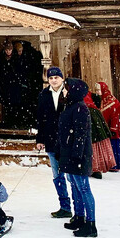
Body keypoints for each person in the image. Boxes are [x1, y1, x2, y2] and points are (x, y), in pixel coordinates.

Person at [58, 78, 97, 238]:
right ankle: (79, 217)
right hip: (69, 154)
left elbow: (81, 135)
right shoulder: (71, 105)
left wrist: (76, 155)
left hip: (78, 156)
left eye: (66, 88)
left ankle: (91, 224)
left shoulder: (81, 108)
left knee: (84, 188)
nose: (64, 91)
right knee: (74, 186)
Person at [35, 66, 71, 218]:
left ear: (62, 78)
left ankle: (79, 209)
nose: (54, 80)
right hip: (50, 139)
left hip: (67, 140)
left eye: (56, 77)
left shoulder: (69, 92)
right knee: (57, 175)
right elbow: (40, 118)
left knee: (71, 176)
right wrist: (40, 139)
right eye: (51, 78)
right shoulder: (44, 94)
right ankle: (65, 206)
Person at [84, 91, 116, 177]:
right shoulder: (87, 92)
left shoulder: (75, 93)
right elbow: (97, 98)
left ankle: (92, 168)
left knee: (90, 142)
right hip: (96, 115)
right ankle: (97, 168)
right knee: (97, 141)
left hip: (85, 114)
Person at [96, 82, 120, 172]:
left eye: (98, 90)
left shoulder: (112, 101)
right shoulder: (101, 100)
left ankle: (115, 165)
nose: (97, 92)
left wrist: (113, 128)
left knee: (114, 146)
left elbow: (115, 115)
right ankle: (110, 164)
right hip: (105, 128)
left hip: (112, 128)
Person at [0, 41, 23, 127]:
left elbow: (19, 71)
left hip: (15, 86)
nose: (8, 52)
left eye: (10, 50)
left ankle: (16, 122)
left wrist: (18, 81)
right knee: (6, 105)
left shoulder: (16, 58)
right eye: (7, 50)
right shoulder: (1, 59)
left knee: (16, 105)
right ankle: (7, 122)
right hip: (5, 87)